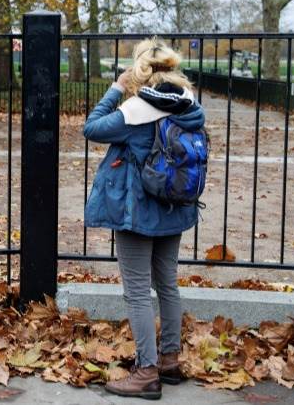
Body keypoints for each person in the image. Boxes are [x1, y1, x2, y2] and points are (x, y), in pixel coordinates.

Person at [83, 37, 206, 400]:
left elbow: (92, 128)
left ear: (138, 70)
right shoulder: (190, 105)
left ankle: (146, 372)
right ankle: (169, 359)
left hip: (138, 212)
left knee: (137, 292)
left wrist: (115, 88)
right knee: (167, 284)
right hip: (175, 206)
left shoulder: (136, 110)